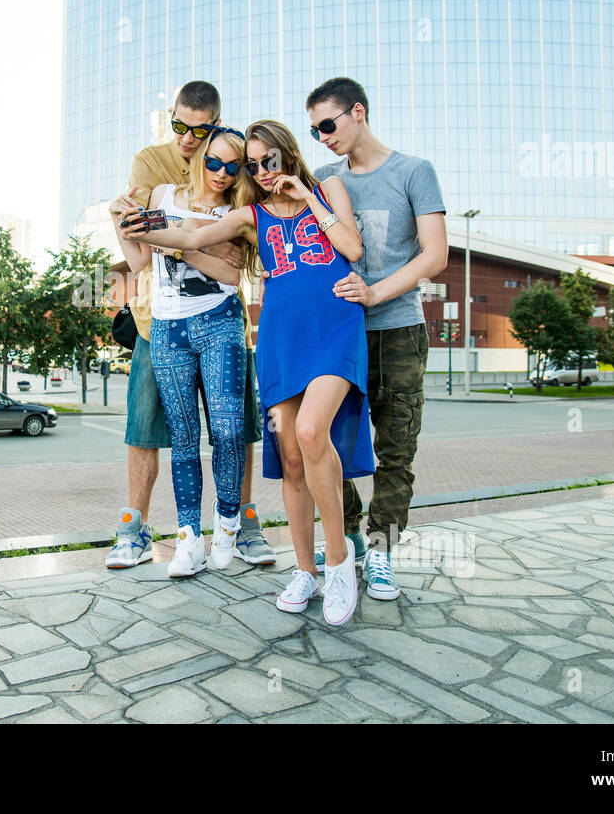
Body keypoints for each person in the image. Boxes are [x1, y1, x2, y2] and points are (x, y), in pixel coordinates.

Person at [123, 120, 374, 626]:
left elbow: (352, 248)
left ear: (288, 155)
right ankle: (305, 570)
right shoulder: (250, 216)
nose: (260, 172)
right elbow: (191, 233)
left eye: (267, 161)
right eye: (252, 165)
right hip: (280, 337)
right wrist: (137, 224)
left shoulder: (330, 189)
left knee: (309, 432)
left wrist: (306, 192)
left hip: (334, 330)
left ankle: (340, 563)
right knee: (291, 457)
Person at [103, 82, 273, 570]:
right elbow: (137, 248)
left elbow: (234, 259)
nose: (187, 139)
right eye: (179, 125)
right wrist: (136, 225)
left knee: (232, 428)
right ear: (171, 119)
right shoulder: (152, 168)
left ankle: (241, 524)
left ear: (217, 126)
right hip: (159, 323)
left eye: (200, 131)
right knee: (150, 428)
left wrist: (177, 239)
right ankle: (136, 530)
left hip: (221, 321)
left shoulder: (237, 186)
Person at [306, 77, 448, 602]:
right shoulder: (322, 179)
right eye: (314, 129)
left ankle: (383, 548)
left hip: (397, 332)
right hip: (337, 338)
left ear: (357, 112)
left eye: (328, 124)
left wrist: (376, 293)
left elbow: (434, 254)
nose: (322, 137)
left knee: (396, 448)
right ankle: (347, 538)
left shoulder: (414, 171)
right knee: (325, 442)